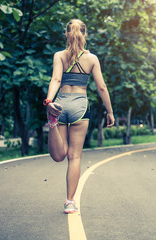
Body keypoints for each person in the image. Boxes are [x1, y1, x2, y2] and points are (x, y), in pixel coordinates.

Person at [43, 19, 115, 214]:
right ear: (85, 35)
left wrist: (49, 102)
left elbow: (56, 79)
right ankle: (69, 202)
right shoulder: (91, 59)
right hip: (80, 106)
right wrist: (109, 111)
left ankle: (52, 122)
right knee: (74, 157)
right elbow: (101, 87)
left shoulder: (59, 55)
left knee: (59, 156)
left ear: (66, 34)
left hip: (61, 102)